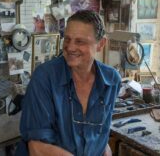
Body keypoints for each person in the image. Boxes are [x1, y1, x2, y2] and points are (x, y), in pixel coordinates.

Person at [16, 10, 121, 156]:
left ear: (100, 44)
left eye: (80, 41)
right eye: (67, 39)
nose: (70, 47)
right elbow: (37, 148)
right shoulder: (44, 77)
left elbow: (99, 137)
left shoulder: (111, 80)